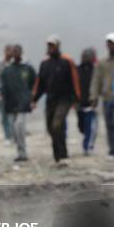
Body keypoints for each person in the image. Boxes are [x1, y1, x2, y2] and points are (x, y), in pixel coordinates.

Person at [32, 35, 81, 166]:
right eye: (48, 45)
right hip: (51, 99)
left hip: (65, 99)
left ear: (58, 46)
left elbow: (75, 80)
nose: (50, 48)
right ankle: (57, 156)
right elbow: (40, 84)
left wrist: (76, 98)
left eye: (52, 45)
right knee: (51, 128)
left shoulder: (67, 61)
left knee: (57, 124)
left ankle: (63, 154)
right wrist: (34, 99)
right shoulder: (44, 64)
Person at [1, 44, 36, 162]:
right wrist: (0, 95)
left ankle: (23, 152)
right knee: (13, 129)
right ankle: (19, 149)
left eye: (17, 51)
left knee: (19, 125)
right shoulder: (7, 69)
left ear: (21, 52)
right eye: (13, 51)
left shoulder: (27, 68)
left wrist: (31, 97)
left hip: (23, 102)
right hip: (11, 103)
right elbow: (3, 85)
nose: (15, 53)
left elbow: (34, 82)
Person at [90, 32, 114, 160]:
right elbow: (96, 80)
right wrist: (94, 96)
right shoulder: (102, 63)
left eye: (112, 43)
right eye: (109, 43)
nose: (110, 46)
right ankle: (112, 150)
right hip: (107, 97)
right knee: (109, 125)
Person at [77, 48, 98, 155]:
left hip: (91, 103)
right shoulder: (77, 70)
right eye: (83, 55)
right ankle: (87, 141)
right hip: (80, 103)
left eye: (87, 56)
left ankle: (87, 147)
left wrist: (95, 99)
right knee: (81, 127)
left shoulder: (95, 70)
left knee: (89, 126)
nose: (84, 58)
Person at [0, 45, 15, 144]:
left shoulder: (15, 63)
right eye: (8, 51)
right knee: (4, 115)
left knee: (14, 114)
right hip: (1, 92)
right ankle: (8, 136)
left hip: (13, 93)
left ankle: (15, 134)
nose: (9, 53)